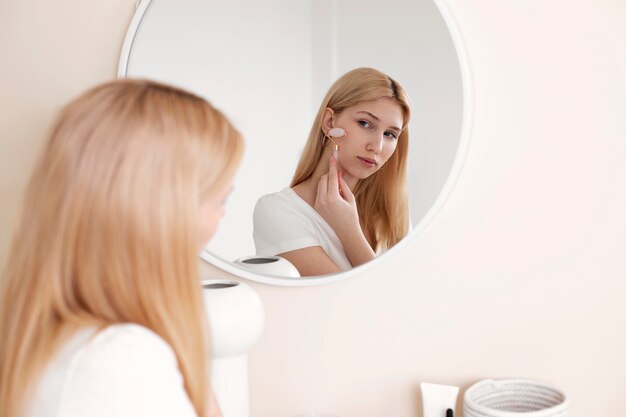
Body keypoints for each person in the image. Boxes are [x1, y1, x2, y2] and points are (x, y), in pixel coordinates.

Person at [0, 79, 243, 417]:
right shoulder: (119, 361)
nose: (222, 216)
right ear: (163, 213)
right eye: (220, 199)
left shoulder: (58, 339)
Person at [253, 67, 411, 277]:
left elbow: (408, 303)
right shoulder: (278, 211)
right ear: (329, 122)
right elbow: (346, 301)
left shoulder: (392, 216)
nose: (377, 146)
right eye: (365, 123)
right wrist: (349, 232)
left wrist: (348, 229)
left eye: (390, 134)